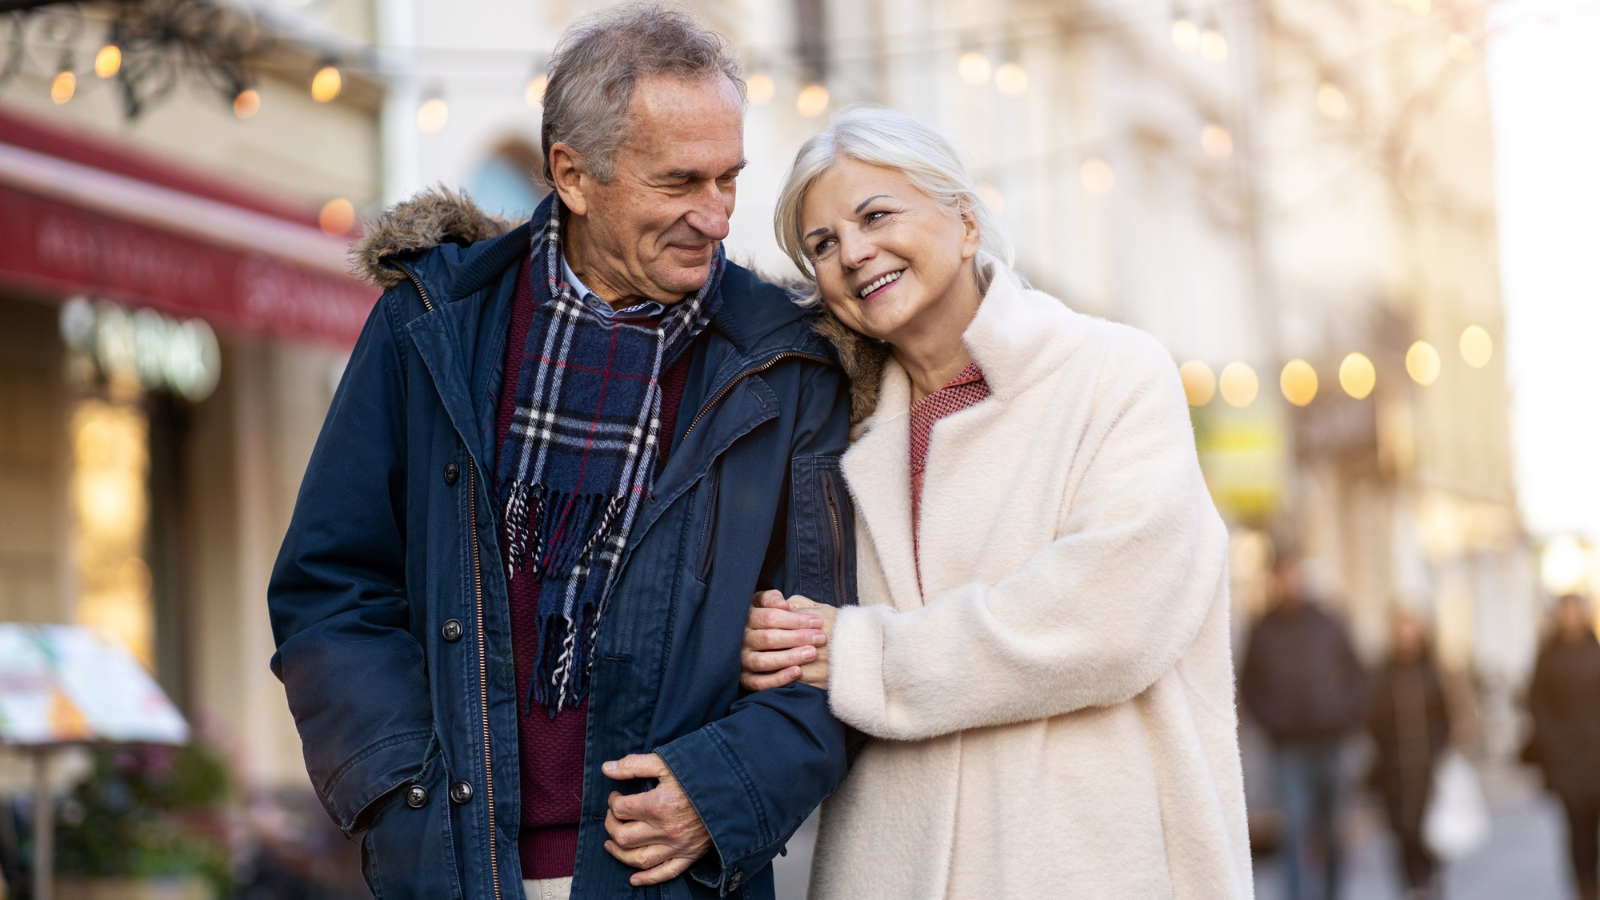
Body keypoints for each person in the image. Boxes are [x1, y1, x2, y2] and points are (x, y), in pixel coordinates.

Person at [267, 7, 857, 899]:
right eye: (680, 181)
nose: (716, 216)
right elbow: (330, 586)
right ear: (574, 176)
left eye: (729, 179)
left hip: (673, 879)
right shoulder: (431, 325)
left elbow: (828, 647)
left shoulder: (787, 365)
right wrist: (400, 790)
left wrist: (722, 792)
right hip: (456, 870)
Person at [738, 106, 1252, 899]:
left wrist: (861, 656)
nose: (854, 253)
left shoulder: (1113, 373)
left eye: (876, 215)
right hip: (890, 869)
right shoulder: (839, 429)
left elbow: (1107, 618)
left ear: (966, 220)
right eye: (823, 244)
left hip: (1088, 864)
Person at [1239, 553, 1368, 900]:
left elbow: (1357, 673)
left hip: (1332, 741)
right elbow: (1249, 685)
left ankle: (1332, 893)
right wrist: (1274, 723)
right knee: (1294, 830)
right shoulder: (1263, 628)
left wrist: (1345, 715)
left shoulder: (1329, 621)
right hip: (1288, 747)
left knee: (1332, 830)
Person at [1367, 611, 1452, 900]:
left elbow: (1446, 717)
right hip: (1395, 770)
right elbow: (1373, 718)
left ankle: (1429, 880)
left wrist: (1436, 751)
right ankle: (1412, 887)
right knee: (1403, 831)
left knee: (1428, 829)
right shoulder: (1383, 673)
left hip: (1427, 768)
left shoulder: (1432, 672)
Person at [1527, 594, 1600, 900]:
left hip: (1596, 754)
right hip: (1566, 759)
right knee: (1576, 828)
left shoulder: (1595, 653)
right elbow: (1537, 702)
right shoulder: (1549, 656)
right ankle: (1583, 886)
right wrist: (1553, 742)